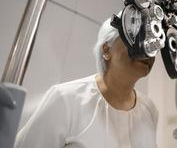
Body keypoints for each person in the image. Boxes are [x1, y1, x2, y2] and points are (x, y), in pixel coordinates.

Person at [15, 18, 158, 148]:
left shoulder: (149, 110)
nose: (148, 49)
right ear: (107, 50)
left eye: (152, 43)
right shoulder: (65, 99)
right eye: (135, 37)